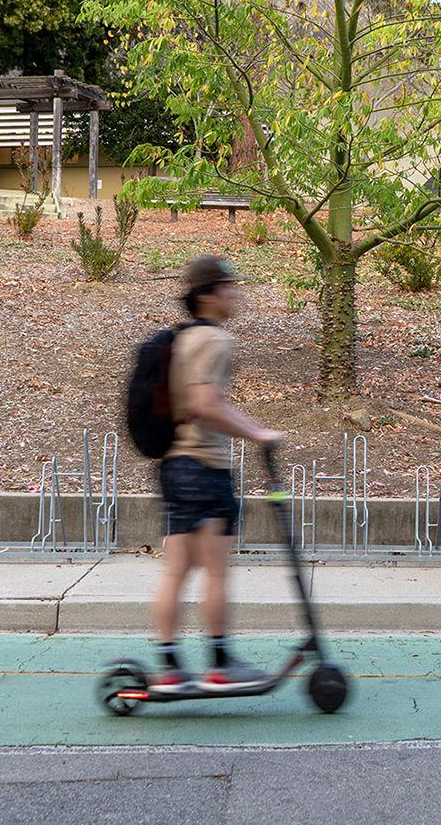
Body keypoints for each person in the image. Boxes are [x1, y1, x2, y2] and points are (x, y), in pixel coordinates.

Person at [150, 255, 282, 690]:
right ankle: (221, 664)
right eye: (227, 287)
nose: (235, 294)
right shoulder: (214, 340)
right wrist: (258, 433)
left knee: (177, 570)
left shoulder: (181, 339)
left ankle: (168, 667)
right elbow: (207, 406)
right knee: (216, 571)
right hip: (204, 467)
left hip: (174, 465)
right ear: (206, 295)